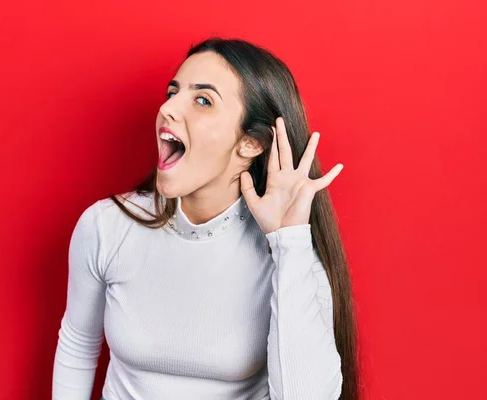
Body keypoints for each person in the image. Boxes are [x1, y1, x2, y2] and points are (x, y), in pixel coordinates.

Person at [52, 37, 359, 400]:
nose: (169, 109)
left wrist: (289, 243)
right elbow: (77, 344)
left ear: (251, 143)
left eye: (202, 100)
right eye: (172, 92)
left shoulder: (289, 254)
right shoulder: (107, 226)